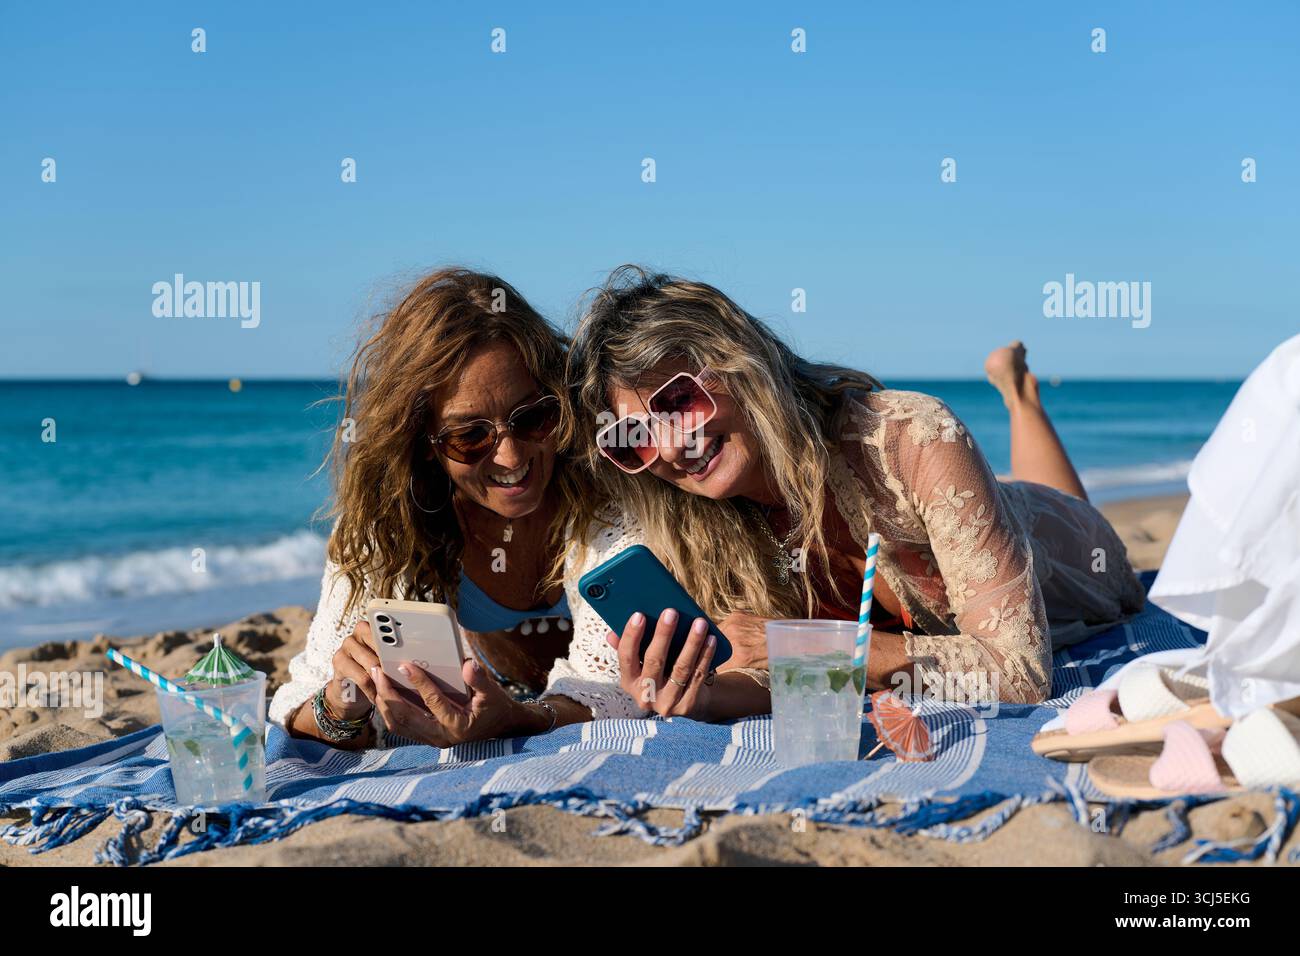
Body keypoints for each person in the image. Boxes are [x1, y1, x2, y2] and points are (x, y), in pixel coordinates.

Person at [562, 266, 1147, 706]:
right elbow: (776, 673)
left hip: (1071, 554)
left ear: (740, 361)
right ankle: (1016, 398)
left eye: (678, 401)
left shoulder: (909, 437)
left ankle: (1019, 393)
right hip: (965, 519)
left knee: (1055, 504)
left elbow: (1018, 673)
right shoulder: (700, 523)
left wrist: (803, 643)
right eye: (632, 437)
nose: (668, 448)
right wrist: (707, 698)